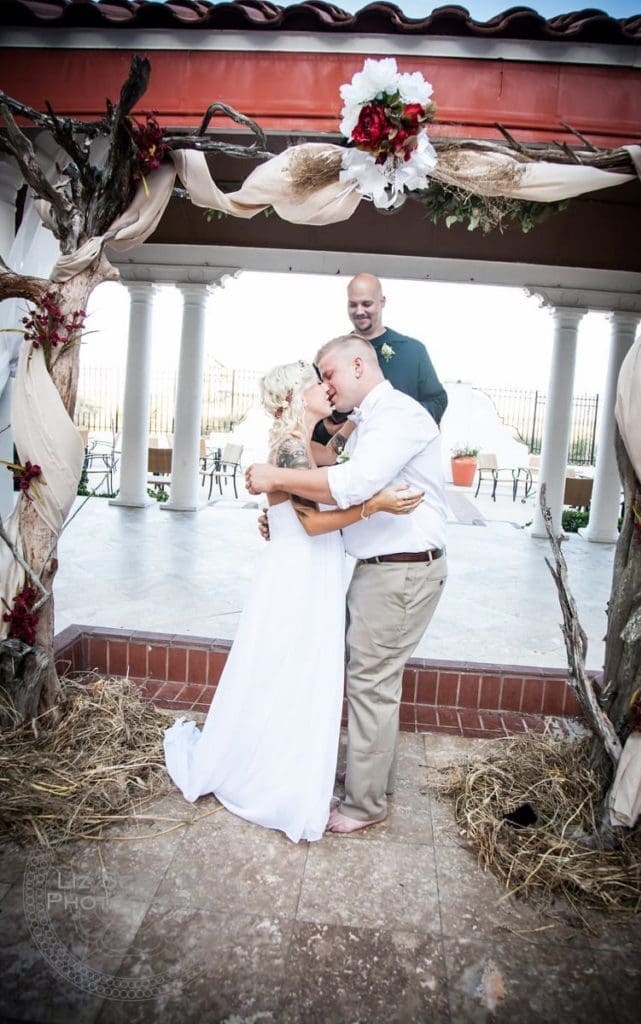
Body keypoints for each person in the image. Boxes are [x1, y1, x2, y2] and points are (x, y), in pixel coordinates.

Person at [163, 360, 422, 844]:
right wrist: (377, 505)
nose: (325, 387)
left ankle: (289, 763)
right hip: (297, 573)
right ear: (292, 398)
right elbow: (313, 523)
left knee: (295, 669)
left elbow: (338, 461)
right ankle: (274, 776)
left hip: (309, 568)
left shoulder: (309, 447)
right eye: (314, 382)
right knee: (290, 668)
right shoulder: (288, 449)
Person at [246, 335, 449, 835]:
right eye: (317, 380)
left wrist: (273, 478)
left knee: (370, 684)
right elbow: (323, 492)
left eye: (328, 374)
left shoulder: (397, 415)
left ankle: (364, 803)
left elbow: (353, 485)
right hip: (379, 566)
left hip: (400, 568)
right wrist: (284, 513)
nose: (326, 386)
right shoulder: (368, 421)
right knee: (371, 681)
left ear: (358, 365)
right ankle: (370, 777)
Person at [311, 273, 448, 445]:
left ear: (382, 302)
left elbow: (437, 401)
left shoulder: (413, 350)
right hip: (347, 454)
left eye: (366, 304)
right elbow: (313, 412)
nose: (359, 311)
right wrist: (328, 429)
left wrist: (402, 419)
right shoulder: (333, 357)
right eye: (353, 305)